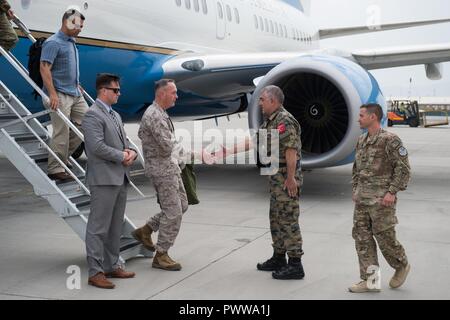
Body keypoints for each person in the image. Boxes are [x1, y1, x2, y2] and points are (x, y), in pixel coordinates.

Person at [223, 85, 305, 280]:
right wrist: (226, 151)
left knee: (288, 221)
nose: (259, 103)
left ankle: (295, 265)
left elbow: (291, 152)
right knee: (276, 220)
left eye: (261, 100)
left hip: (286, 181)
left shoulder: (285, 121)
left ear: (272, 101)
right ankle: (279, 257)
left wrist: (291, 179)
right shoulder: (271, 121)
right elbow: (254, 141)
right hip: (276, 182)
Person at [134, 79, 212, 271]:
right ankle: (161, 254)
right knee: (173, 212)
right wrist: (198, 154)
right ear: (161, 94)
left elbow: (171, 147)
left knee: (182, 205)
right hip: (162, 171)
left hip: (170, 167)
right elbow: (169, 147)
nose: (177, 96)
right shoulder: (155, 116)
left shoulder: (161, 113)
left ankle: (146, 230)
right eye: (173, 92)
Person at [82, 73, 137, 289]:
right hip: (104, 178)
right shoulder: (92, 115)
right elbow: (96, 147)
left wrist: (131, 151)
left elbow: (123, 142)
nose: (119, 93)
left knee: (115, 226)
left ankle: (112, 265)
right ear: (103, 90)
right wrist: (122, 156)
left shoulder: (114, 115)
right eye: (115, 90)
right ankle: (95, 272)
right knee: (98, 228)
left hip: (119, 177)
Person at [350, 103, 411, 293]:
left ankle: (401, 265)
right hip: (362, 201)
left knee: (385, 238)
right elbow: (356, 169)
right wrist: (355, 188)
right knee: (362, 240)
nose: (358, 118)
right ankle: (371, 281)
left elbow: (404, 169)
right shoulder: (361, 140)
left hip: (381, 201)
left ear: (373, 117)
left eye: (361, 115)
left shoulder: (390, 140)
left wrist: (392, 192)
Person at [40, 6, 88, 181]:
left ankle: (61, 157)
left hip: (75, 92)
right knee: (62, 131)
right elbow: (44, 68)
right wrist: (52, 94)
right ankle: (55, 168)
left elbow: (67, 67)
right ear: (67, 22)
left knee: (88, 123)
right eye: (78, 26)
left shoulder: (70, 42)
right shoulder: (53, 43)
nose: (80, 29)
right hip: (59, 94)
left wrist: (77, 84)